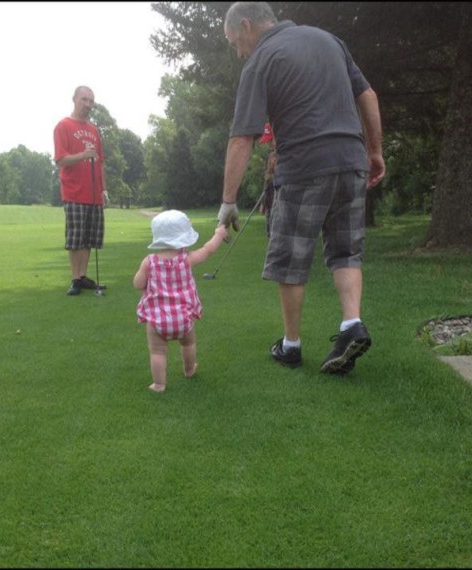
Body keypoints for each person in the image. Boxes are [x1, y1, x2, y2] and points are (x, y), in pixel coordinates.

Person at [217, 2, 385, 375]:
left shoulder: (261, 60)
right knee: (346, 252)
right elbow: (368, 96)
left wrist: (228, 202)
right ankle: (351, 324)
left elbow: (242, 137)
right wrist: (375, 151)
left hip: (305, 167)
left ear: (246, 25)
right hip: (351, 161)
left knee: (290, 260)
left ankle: (291, 346)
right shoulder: (328, 40)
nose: (239, 51)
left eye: (235, 43)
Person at [134, 210, 229, 393]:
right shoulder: (187, 259)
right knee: (188, 344)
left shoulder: (149, 262)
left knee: (157, 352)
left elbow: (138, 284)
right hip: (184, 317)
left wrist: (145, 279)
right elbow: (208, 250)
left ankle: (159, 384)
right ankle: (189, 369)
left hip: (157, 320)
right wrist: (219, 233)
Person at [53, 85, 110, 296]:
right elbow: (61, 160)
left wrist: (104, 189)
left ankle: (84, 276)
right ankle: (75, 278)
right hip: (74, 192)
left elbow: (100, 161)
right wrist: (82, 155)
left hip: (94, 193)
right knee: (75, 238)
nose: (88, 104)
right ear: (74, 99)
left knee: (89, 238)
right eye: (84, 100)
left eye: (91, 101)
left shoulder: (94, 130)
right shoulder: (63, 126)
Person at [258, 122, 277, 238]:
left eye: (270, 140)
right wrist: (263, 204)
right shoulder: (270, 157)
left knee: (276, 236)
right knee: (269, 234)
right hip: (269, 202)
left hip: (280, 204)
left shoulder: (286, 154)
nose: (269, 144)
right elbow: (266, 183)